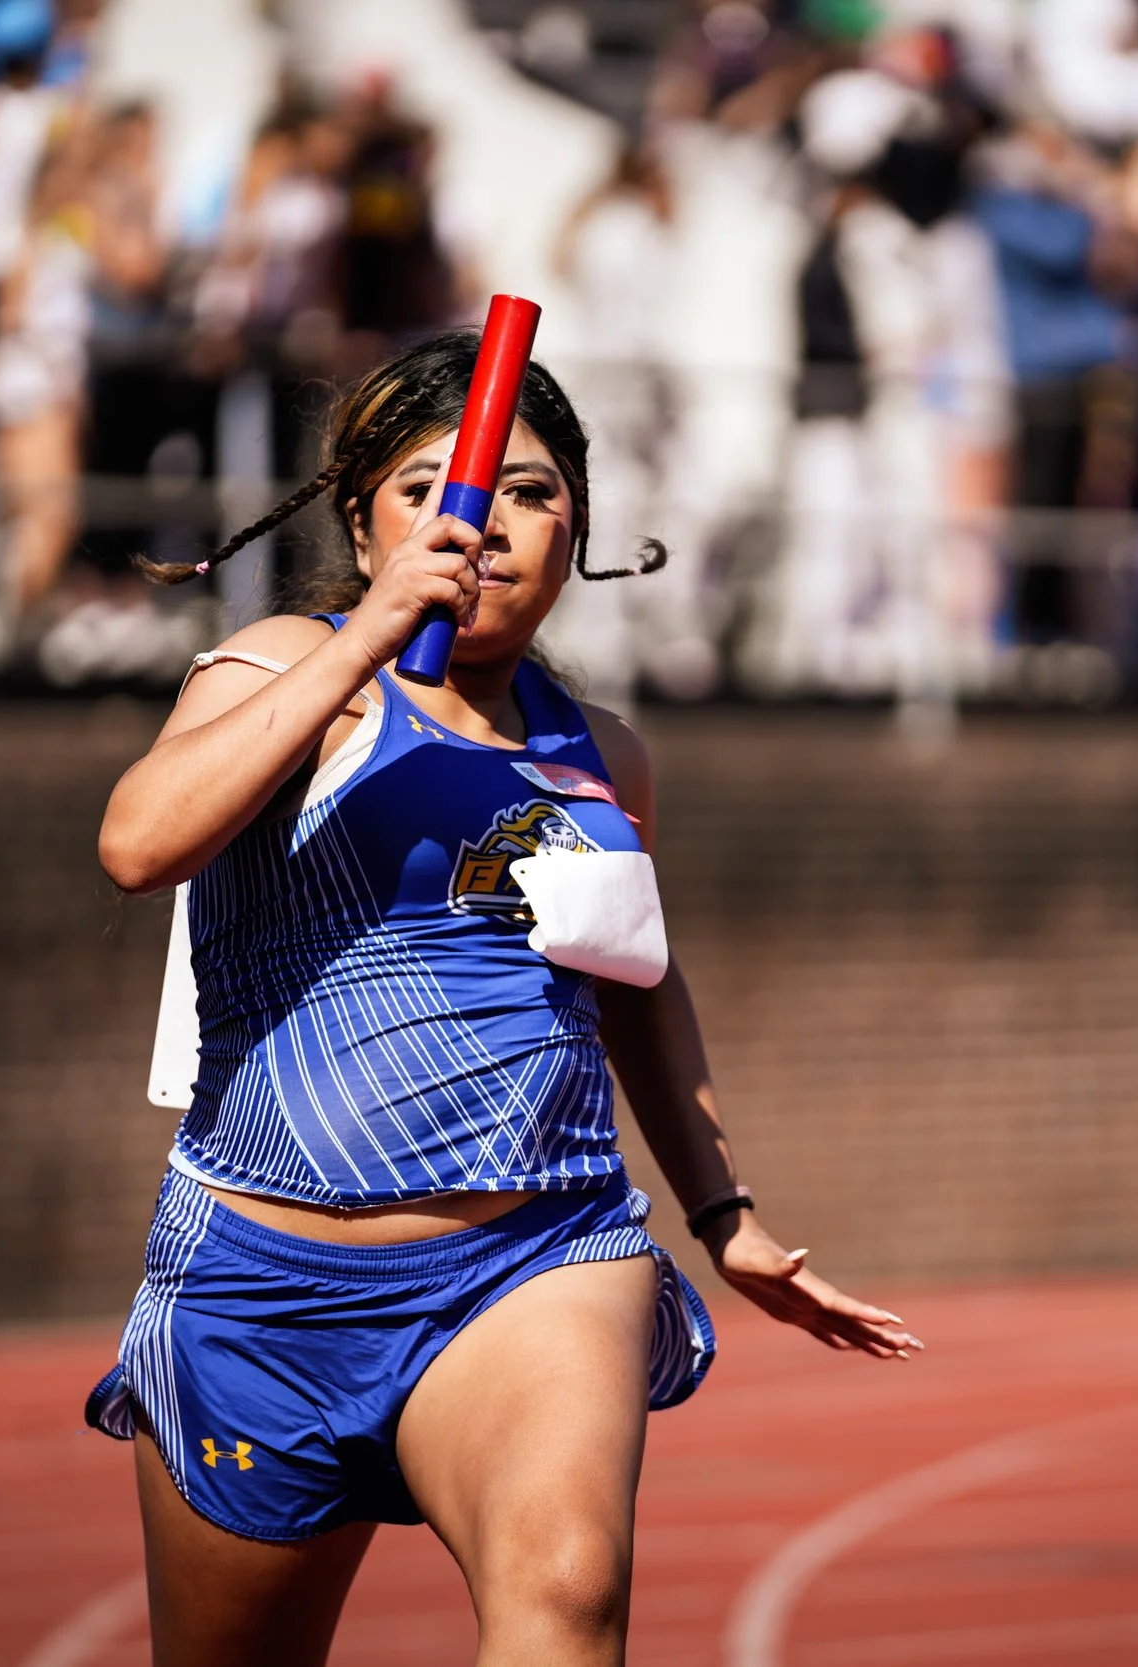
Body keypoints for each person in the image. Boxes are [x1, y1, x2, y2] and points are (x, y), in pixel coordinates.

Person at [90, 332, 914, 1665]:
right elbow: (137, 845)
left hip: (534, 1257)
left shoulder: (605, 759)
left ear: (572, 529)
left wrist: (726, 1215)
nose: (481, 525)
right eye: (430, 492)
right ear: (362, 528)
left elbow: (641, 983)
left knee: (570, 1586)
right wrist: (363, 642)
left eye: (531, 493)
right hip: (264, 1289)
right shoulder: (275, 676)